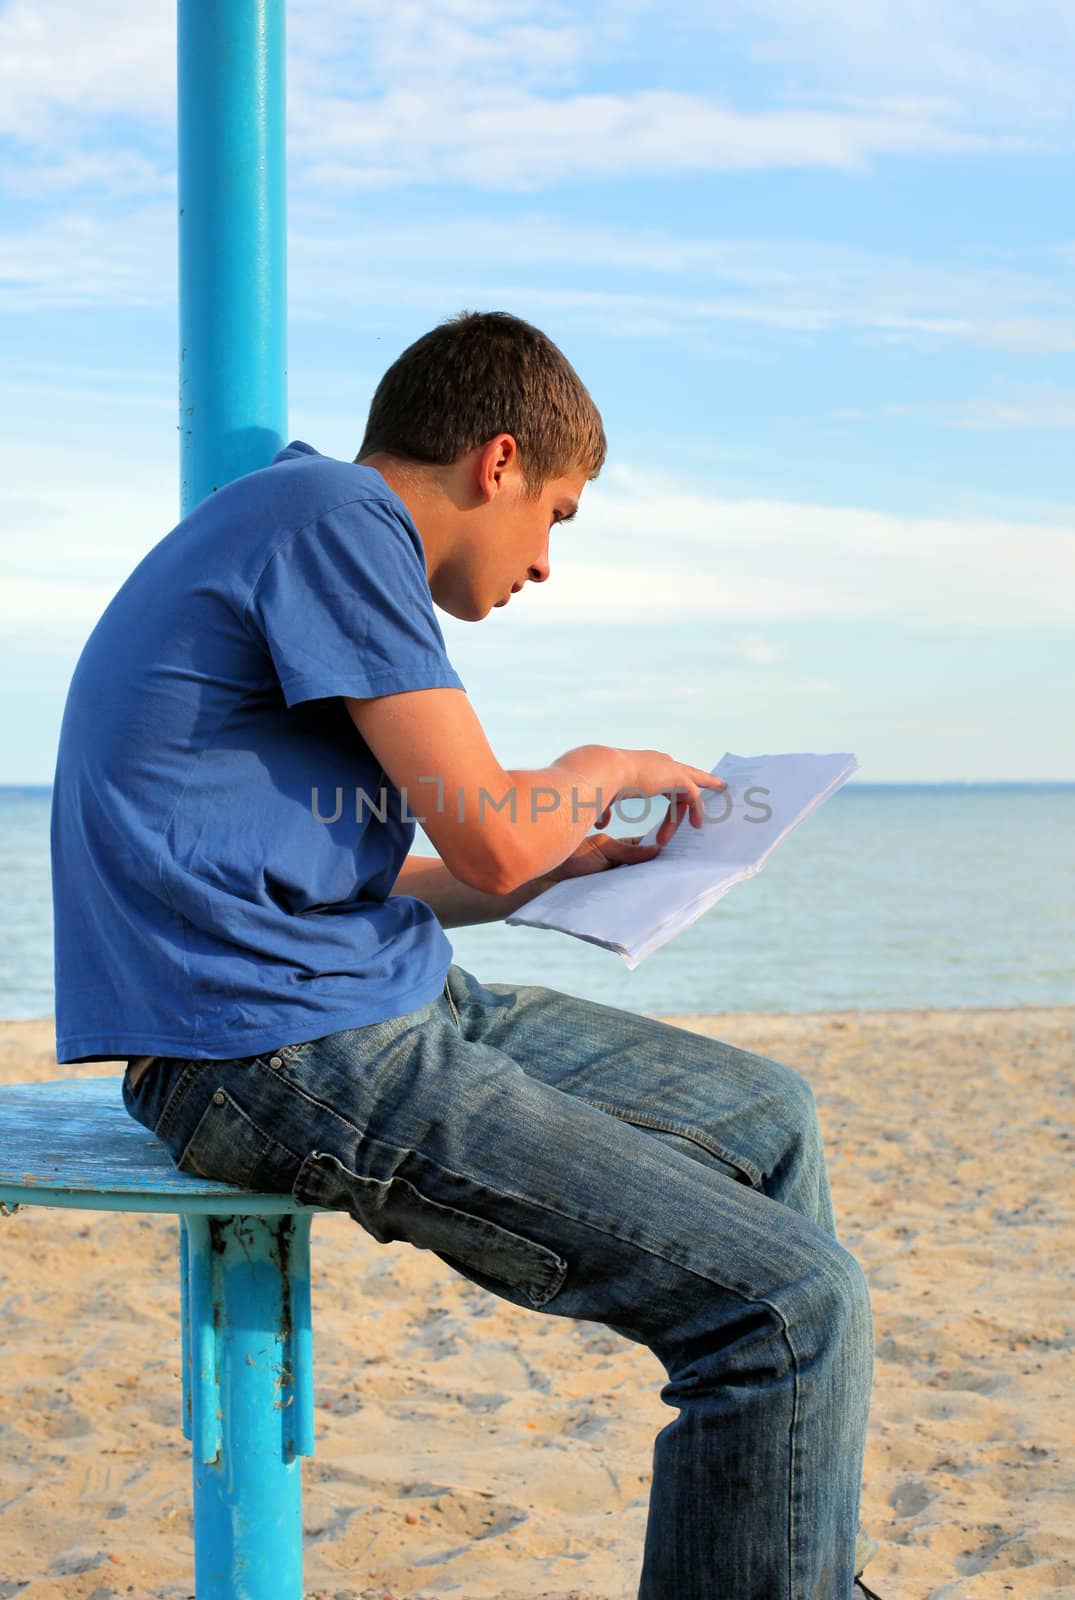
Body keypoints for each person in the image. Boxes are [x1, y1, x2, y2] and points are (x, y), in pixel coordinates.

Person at [50, 310, 881, 1599]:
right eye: (557, 513)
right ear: (496, 463)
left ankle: (793, 1570)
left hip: (356, 997)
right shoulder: (336, 520)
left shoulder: (301, 522)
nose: (546, 563)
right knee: (787, 1308)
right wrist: (599, 774)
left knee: (769, 1114)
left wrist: (562, 862)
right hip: (272, 1047)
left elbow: (388, 875)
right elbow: (493, 832)